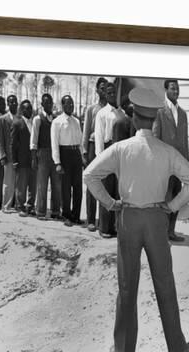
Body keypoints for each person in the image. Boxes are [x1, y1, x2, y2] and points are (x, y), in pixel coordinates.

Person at [84, 87, 189, 352]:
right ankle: (178, 348)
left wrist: (111, 203)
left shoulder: (122, 149)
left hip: (128, 219)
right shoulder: (167, 151)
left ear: (135, 118)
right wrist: (172, 206)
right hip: (157, 218)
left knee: (127, 285)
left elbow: (90, 175)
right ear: (156, 120)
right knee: (165, 283)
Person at [153, 79, 189, 242]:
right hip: (164, 165)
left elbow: (184, 141)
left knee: (175, 199)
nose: (176, 91)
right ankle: (160, 232)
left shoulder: (182, 113)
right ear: (166, 90)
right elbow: (155, 137)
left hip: (179, 165)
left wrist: (186, 165)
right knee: (164, 198)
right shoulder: (159, 111)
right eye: (173, 88)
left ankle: (170, 231)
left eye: (177, 88)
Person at [94, 82, 124, 238]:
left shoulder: (122, 113)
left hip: (120, 154)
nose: (112, 95)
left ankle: (115, 227)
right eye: (109, 93)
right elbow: (99, 137)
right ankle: (104, 228)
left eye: (114, 93)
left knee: (117, 191)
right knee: (106, 190)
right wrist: (100, 160)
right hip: (107, 151)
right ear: (105, 94)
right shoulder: (102, 113)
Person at [51, 95, 84, 227]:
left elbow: (80, 141)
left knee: (78, 187)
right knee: (65, 188)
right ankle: (67, 215)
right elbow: (54, 143)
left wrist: (82, 156)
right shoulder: (57, 122)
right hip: (64, 154)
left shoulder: (76, 121)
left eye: (72, 104)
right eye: (68, 104)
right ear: (62, 106)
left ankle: (76, 215)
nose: (71, 106)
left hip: (76, 154)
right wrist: (57, 162)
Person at [81, 77, 108, 231]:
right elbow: (85, 133)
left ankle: (104, 222)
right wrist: (84, 152)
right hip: (92, 148)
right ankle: (91, 220)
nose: (104, 91)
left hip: (106, 149)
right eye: (101, 88)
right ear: (97, 90)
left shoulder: (112, 109)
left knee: (105, 185)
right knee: (92, 183)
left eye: (106, 88)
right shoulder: (92, 109)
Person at [31, 93, 62, 220]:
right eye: (46, 102)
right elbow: (33, 140)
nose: (48, 104)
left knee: (56, 184)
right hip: (42, 153)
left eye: (50, 102)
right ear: (42, 104)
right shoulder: (37, 119)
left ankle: (55, 211)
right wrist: (34, 158)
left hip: (55, 153)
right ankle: (41, 211)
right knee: (42, 184)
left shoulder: (56, 119)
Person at [11, 100, 36, 216]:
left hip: (33, 160)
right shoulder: (17, 123)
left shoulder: (34, 122)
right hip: (21, 160)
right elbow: (13, 144)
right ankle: (20, 206)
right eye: (26, 108)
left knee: (33, 185)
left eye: (30, 108)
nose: (29, 110)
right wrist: (14, 160)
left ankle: (30, 207)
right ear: (22, 110)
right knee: (21, 185)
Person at [0, 94, 19, 213]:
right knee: (8, 182)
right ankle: (5, 205)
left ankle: (16, 204)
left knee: (18, 182)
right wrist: (2, 155)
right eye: (11, 102)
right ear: (8, 104)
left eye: (15, 102)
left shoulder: (20, 118)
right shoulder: (2, 119)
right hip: (8, 156)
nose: (14, 104)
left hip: (19, 155)